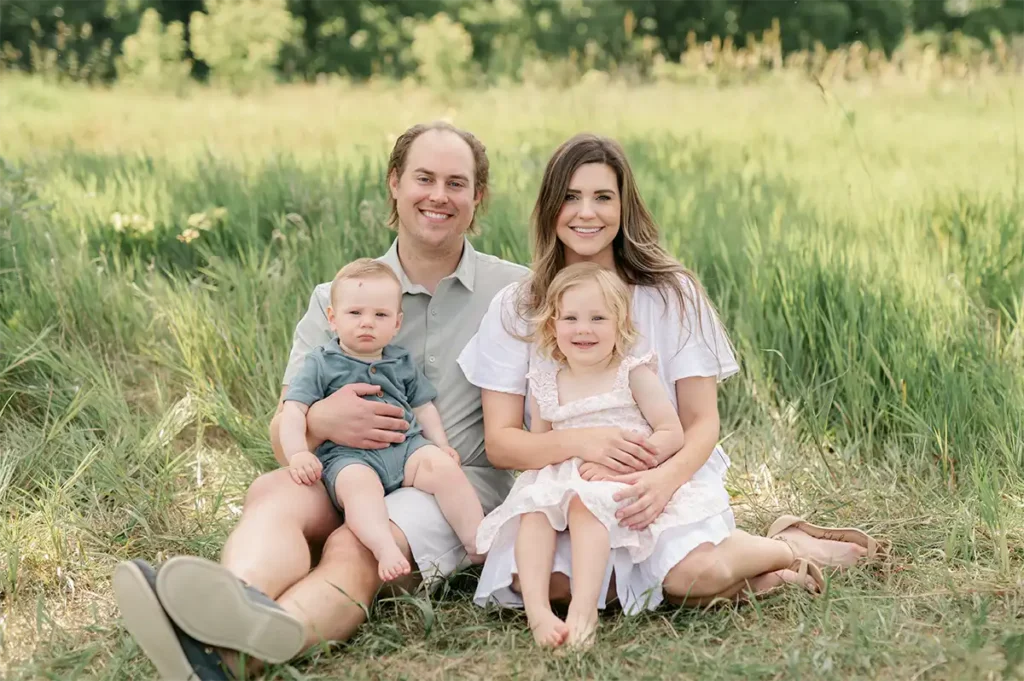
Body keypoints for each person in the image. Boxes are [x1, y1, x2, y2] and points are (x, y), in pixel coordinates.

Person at [111, 121, 529, 681]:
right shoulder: (338, 298)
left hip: (448, 480)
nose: (438, 195)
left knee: (354, 543)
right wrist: (322, 421)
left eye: (457, 183)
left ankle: (235, 660)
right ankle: (233, 603)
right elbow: (285, 430)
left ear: (478, 197)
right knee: (272, 491)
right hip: (344, 466)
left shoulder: (517, 292)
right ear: (394, 184)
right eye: (423, 178)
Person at [457, 132, 883, 622]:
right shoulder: (520, 307)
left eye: (603, 197)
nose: (586, 213)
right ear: (550, 206)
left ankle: (783, 547)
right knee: (534, 580)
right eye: (571, 197)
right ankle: (734, 577)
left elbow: (702, 422)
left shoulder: (670, 293)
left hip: (666, 469)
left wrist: (661, 482)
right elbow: (503, 443)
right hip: (567, 483)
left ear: (625, 206)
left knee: (681, 576)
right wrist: (586, 442)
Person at [473, 261, 799, 649]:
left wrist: (640, 463)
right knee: (534, 512)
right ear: (552, 325)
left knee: (584, 505)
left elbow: (672, 431)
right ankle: (538, 612)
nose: (583, 329)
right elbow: (540, 449)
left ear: (619, 324)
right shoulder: (546, 383)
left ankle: (583, 609)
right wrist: (555, 476)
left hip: (625, 477)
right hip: (565, 477)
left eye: (598, 318)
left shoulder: (632, 372)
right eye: (571, 318)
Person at [280, 258, 485, 582]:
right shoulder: (321, 362)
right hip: (349, 457)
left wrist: (442, 446)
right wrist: (298, 454)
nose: (367, 323)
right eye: (355, 313)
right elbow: (293, 410)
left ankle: (477, 541)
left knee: (443, 469)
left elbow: (423, 406)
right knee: (360, 489)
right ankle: (383, 546)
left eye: (380, 315)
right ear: (332, 319)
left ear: (397, 323)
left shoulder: (399, 361)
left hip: (407, 449)